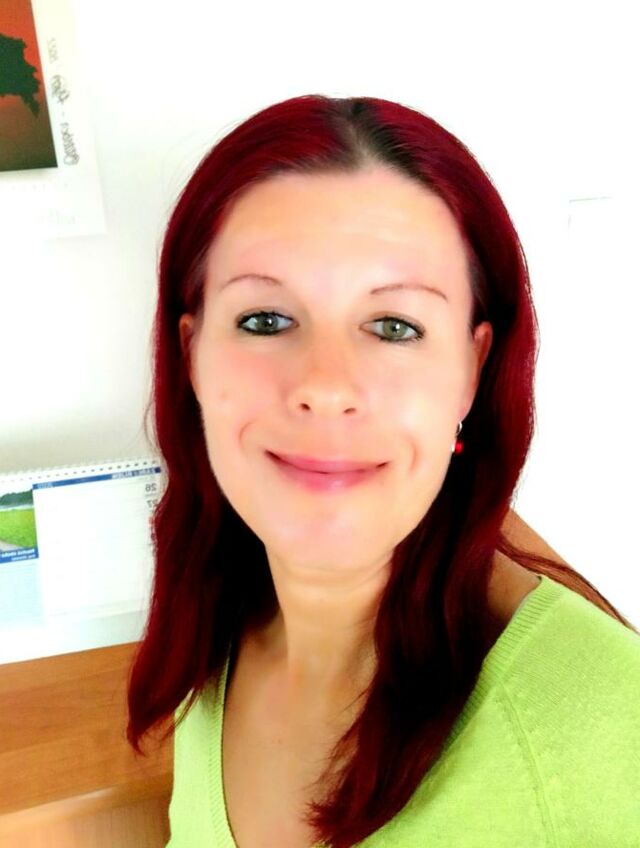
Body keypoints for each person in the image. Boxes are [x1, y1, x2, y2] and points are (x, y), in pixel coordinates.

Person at [126, 94, 640, 848]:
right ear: (192, 355)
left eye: (395, 326)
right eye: (265, 320)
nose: (326, 386)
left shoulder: (603, 719)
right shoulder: (211, 632)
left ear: (471, 372)